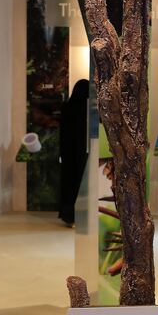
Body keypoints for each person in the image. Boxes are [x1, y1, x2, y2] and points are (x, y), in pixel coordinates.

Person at [58, 79, 90, 226]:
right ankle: (80, 216)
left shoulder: (67, 107)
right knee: (80, 184)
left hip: (67, 152)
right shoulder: (87, 109)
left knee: (68, 184)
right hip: (82, 152)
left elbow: (63, 133)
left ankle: (67, 216)